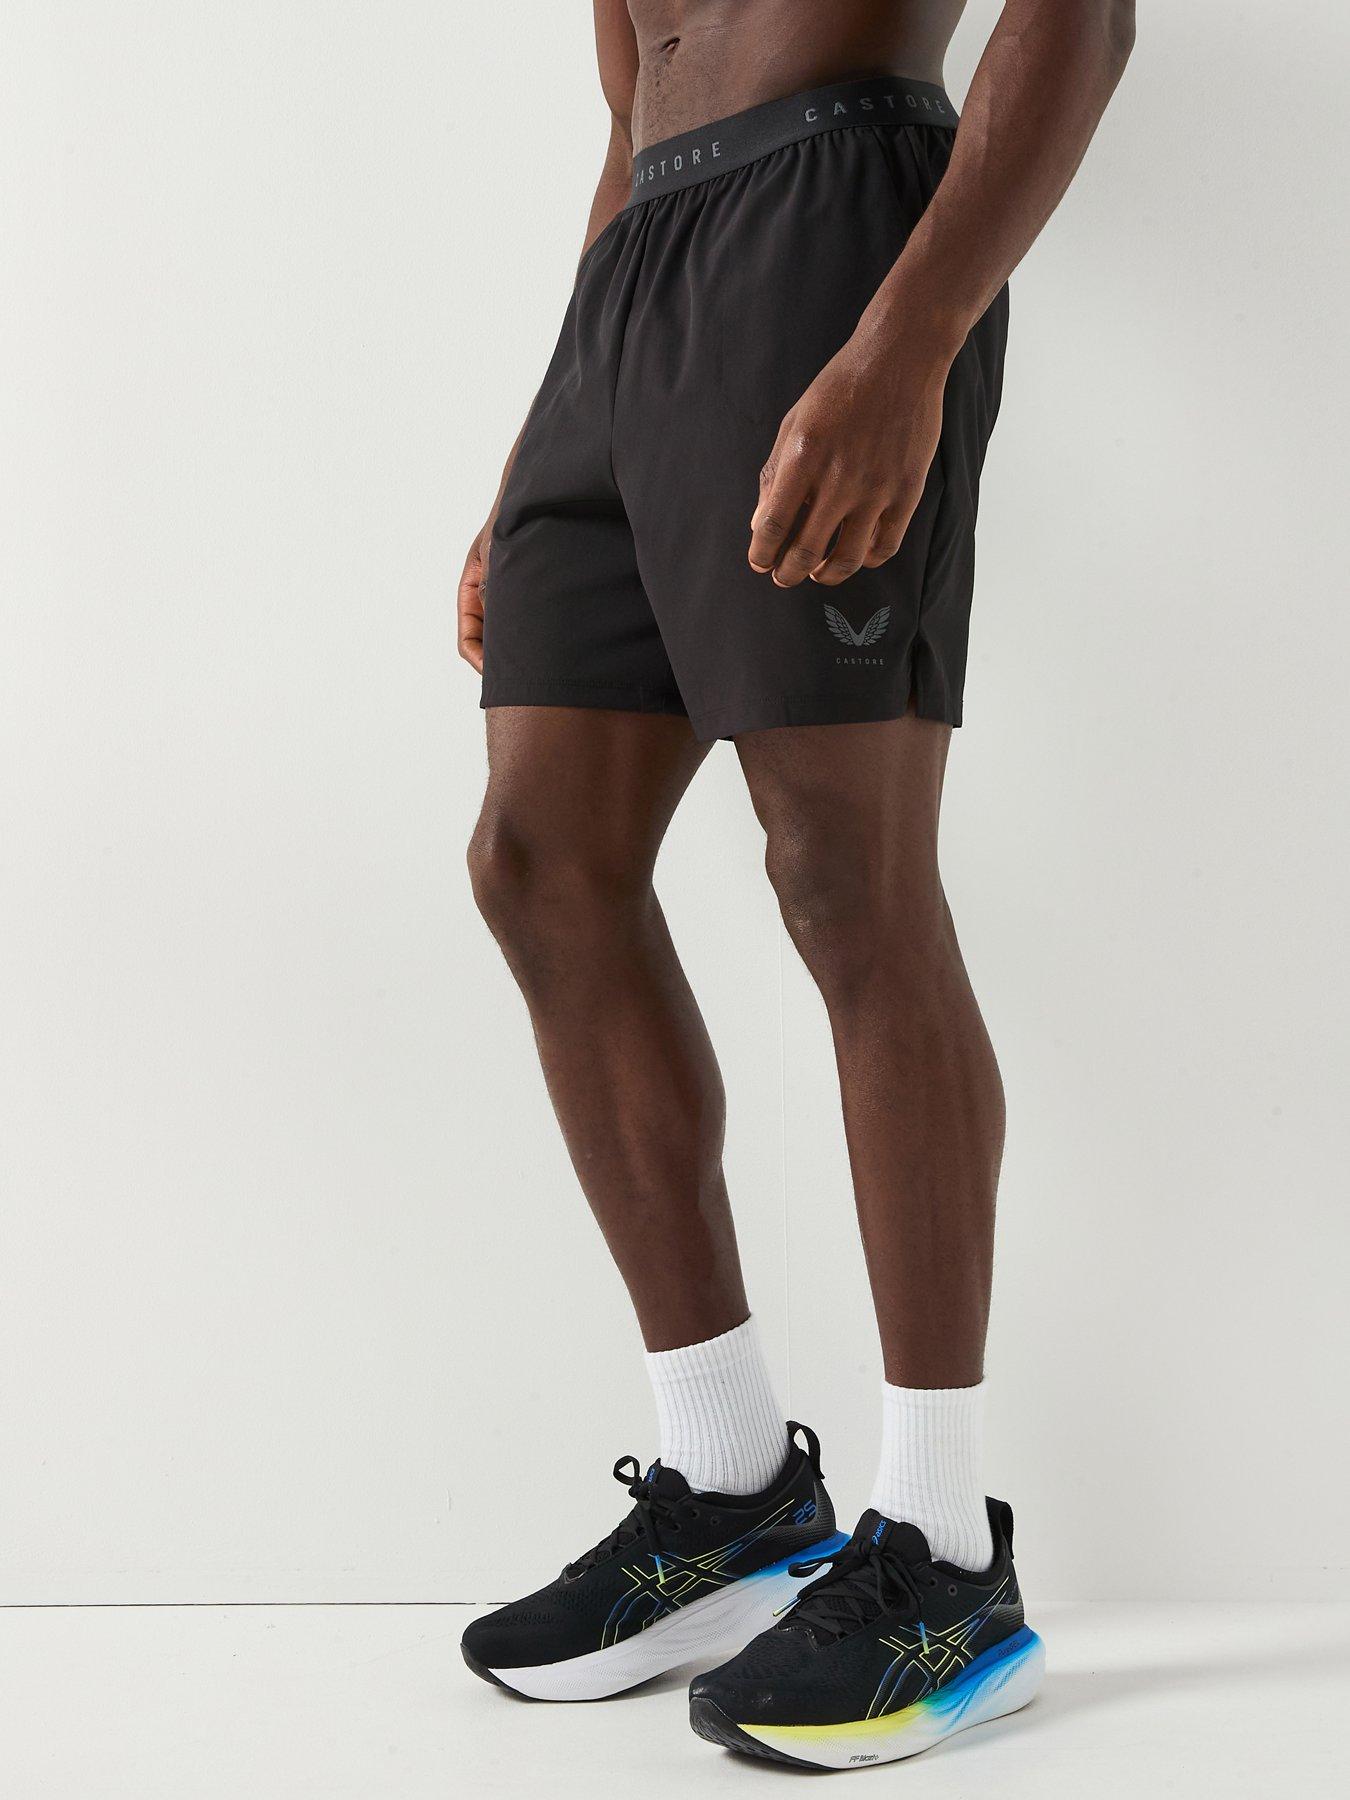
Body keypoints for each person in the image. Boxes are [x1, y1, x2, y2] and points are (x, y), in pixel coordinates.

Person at [457, 0, 1133, 1767]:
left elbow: (1081, 16)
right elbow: (631, 102)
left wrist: (907, 344)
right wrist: (546, 441)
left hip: (831, 235)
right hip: (638, 275)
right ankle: (730, 1485)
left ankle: (945, 1554)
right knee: (537, 863)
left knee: (842, 877)